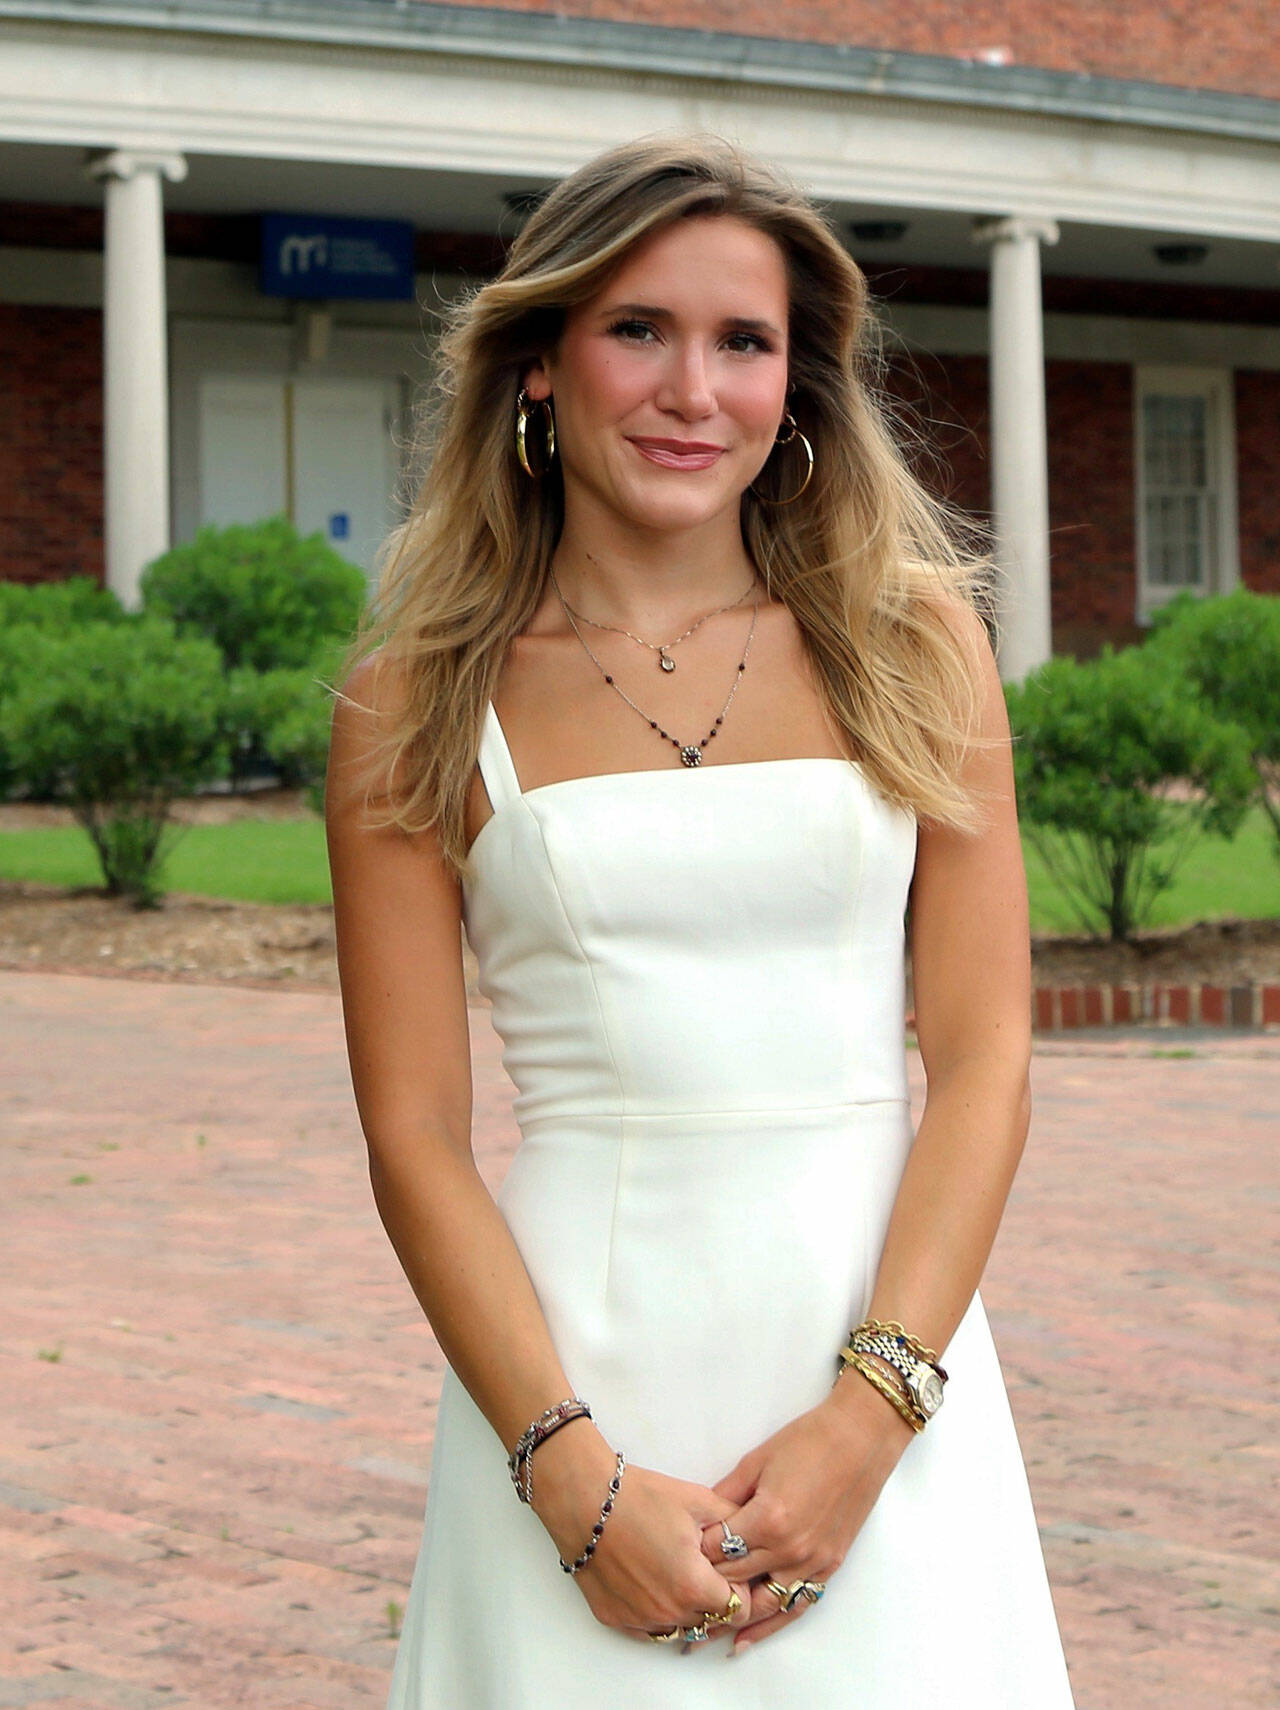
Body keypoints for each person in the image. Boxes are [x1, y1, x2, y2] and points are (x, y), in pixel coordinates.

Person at [324, 134, 1077, 1707]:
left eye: (743, 341)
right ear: (541, 361)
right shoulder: (415, 700)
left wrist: (870, 1418)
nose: (693, 391)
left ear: (797, 382)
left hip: (884, 1357)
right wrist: (568, 1477)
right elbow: (413, 1134)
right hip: (574, 1385)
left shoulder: (915, 643)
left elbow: (988, 1058)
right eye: (638, 329)